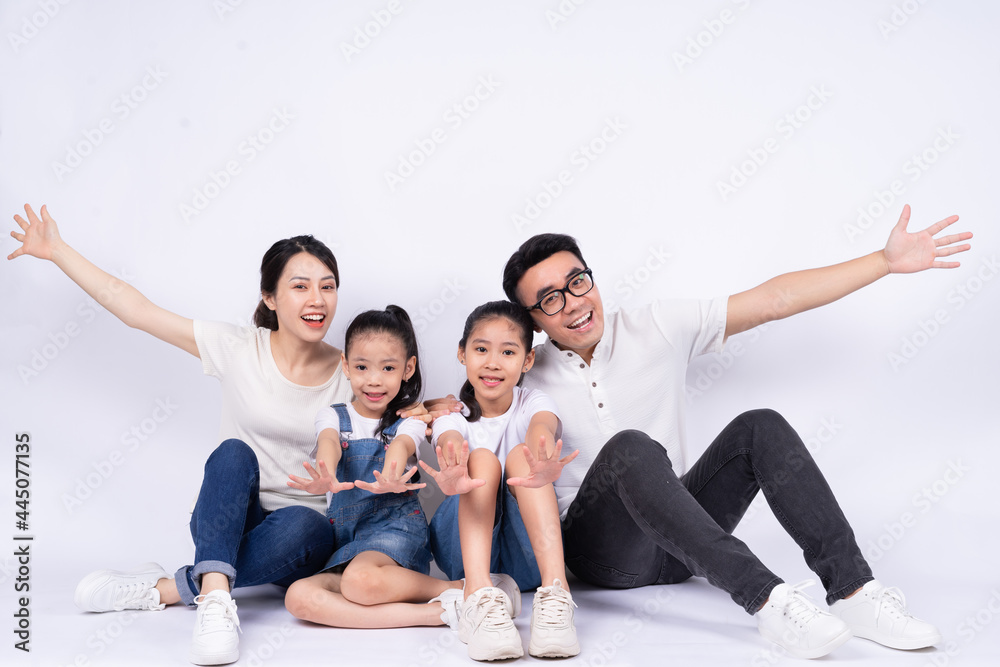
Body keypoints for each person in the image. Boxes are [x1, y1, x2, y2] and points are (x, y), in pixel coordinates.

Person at [498, 205, 971, 659]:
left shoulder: (655, 327)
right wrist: (426, 409)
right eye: (550, 299)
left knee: (759, 426)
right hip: (605, 558)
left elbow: (771, 301)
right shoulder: (523, 374)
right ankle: (768, 602)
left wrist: (884, 262)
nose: (575, 303)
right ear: (532, 320)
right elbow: (469, 404)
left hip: (683, 548)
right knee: (632, 447)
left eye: (578, 282)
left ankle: (853, 591)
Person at [7, 204, 361, 665]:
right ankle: (215, 602)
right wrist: (57, 250)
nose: (317, 299)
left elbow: (401, 397)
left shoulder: (352, 369)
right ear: (270, 298)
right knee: (233, 454)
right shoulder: (238, 347)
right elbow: (134, 309)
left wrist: (436, 407)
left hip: (299, 542)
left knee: (308, 522)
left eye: (328, 286)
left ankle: (171, 588)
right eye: (300, 286)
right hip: (227, 519)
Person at [282, 305, 468, 629]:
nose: (374, 380)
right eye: (363, 367)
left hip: (395, 532)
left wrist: (392, 475)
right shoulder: (333, 416)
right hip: (348, 540)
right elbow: (328, 443)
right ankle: (440, 613)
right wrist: (325, 472)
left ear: (407, 368)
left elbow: (401, 447)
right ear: (346, 365)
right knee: (298, 597)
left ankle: (459, 589)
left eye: (387, 368)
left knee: (360, 581)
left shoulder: (406, 421)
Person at [421, 301, 580, 661]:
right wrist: (452, 469)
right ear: (462, 353)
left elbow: (543, 425)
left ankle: (556, 594)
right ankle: (477, 597)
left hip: (528, 565)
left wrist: (541, 456)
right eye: (481, 350)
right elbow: (448, 440)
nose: (492, 363)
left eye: (508, 352)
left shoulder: (533, 402)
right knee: (481, 459)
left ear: (527, 361)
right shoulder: (453, 415)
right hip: (462, 554)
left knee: (523, 455)